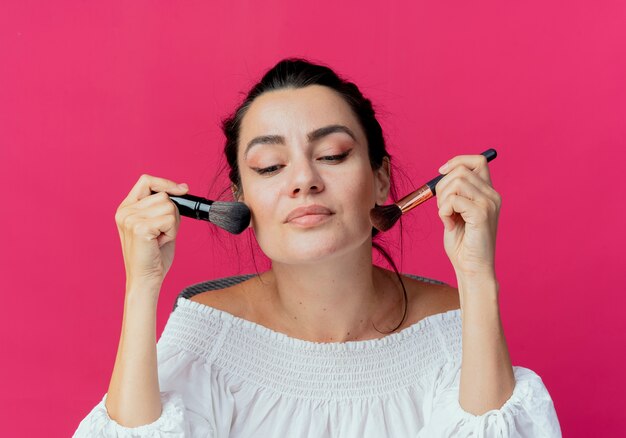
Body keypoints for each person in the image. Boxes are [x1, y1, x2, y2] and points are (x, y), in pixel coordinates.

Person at [73, 58, 562, 437]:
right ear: (240, 200)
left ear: (380, 179)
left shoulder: (451, 329)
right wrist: (141, 288)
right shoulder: (206, 338)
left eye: (332, 155)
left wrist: (477, 277)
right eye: (269, 166)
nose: (304, 180)